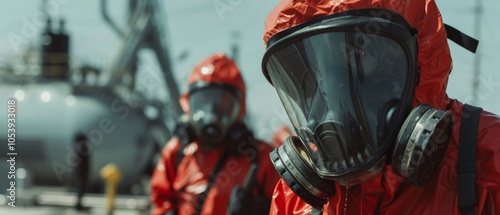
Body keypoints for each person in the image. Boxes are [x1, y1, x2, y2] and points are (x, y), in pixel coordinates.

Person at [260, 0, 500, 214]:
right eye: (318, 74)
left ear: (418, 62)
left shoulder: (488, 157)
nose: (333, 91)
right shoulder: (295, 201)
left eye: (358, 56)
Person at [150, 53, 280, 215]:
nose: (211, 117)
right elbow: (161, 198)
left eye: (221, 107)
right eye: (203, 104)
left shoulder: (261, 158)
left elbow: (286, 205)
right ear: (189, 104)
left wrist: (260, 209)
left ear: (239, 109)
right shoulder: (177, 152)